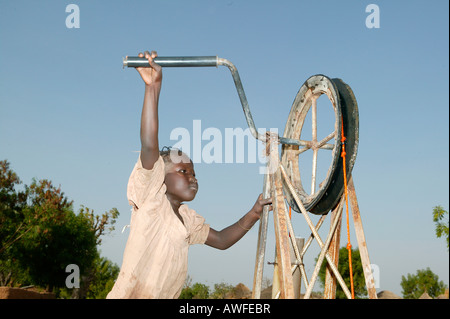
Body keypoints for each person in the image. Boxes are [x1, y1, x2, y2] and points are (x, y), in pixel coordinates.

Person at [107, 50, 272, 299]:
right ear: (160, 176)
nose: (192, 177)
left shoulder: (188, 220)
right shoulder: (150, 197)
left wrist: (254, 213)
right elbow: (150, 144)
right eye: (183, 171)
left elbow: (222, 240)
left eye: (193, 173)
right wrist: (153, 88)